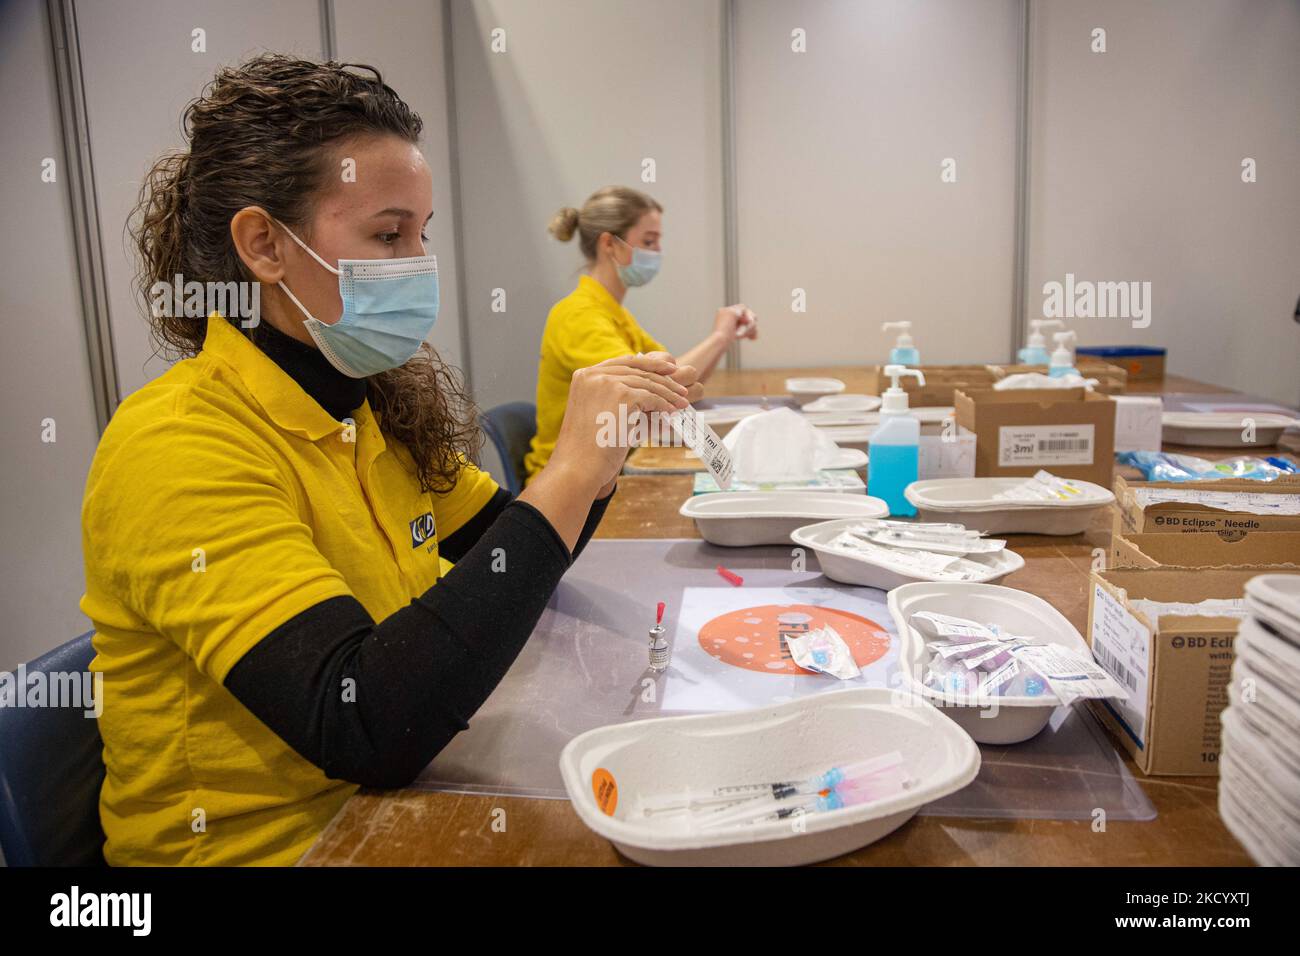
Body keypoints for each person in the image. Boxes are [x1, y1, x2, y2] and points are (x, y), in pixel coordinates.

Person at [80, 54, 701, 866]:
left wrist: (602, 454)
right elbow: (363, 722)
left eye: (422, 233)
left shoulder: (364, 406)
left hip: (401, 805)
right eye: (387, 233)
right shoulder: (177, 443)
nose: (418, 261)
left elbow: (504, 554)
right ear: (264, 244)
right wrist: (568, 473)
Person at [523, 186, 757, 480]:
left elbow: (678, 379)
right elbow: (654, 392)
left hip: (608, 467)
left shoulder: (614, 313)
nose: (658, 252)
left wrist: (724, 337)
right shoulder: (577, 316)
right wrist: (719, 337)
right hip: (568, 480)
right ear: (609, 244)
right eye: (649, 241)